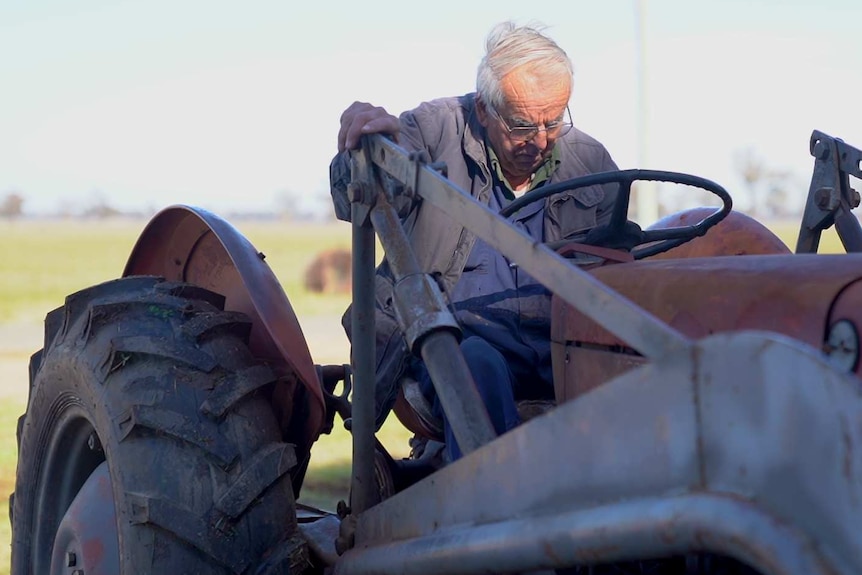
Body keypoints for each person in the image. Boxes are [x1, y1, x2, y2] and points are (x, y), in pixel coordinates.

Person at [330, 21, 620, 461]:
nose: (540, 141)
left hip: (557, 350)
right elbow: (361, 191)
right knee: (478, 361)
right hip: (456, 347)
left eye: (554, 120)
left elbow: (614, 266)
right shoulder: (433, 131)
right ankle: (491, 502)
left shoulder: (591, 162)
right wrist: (365, 149)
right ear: (485, 110)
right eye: (522, 125)